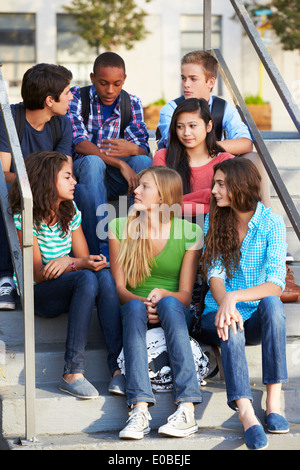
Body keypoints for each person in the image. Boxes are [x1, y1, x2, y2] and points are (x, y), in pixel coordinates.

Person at [8, 151, 123, 398]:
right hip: (38, 293)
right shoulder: (26, 217)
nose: (74, 183)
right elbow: (38, 274)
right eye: (67, 177)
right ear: (48, 180)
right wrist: (75, 264)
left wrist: (71, 261)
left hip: (68, 285)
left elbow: (84, 260)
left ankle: (117, 370)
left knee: (101, 275)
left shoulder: (69, 211)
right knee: (86, 277)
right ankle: (72, 371)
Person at [200, 158, 289, 450]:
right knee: (230, 323)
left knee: (273, 303)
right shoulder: (214, 220)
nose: (214, 190)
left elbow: (276, 282)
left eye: (221, 184)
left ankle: (273, 399)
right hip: (217, 315)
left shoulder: (272, 223)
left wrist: (235, 297)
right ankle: (246, 412)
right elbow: (213, 271)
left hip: (252, 314)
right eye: (215, 183)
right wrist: (226, 301)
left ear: (241, 186)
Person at [109, 165, 203, 440]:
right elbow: (119, 288)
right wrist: (144, 301)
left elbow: (185, 294)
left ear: (163, 197)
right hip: (136, 309)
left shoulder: (190, 232)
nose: (135, 191)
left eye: (144, 187)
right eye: (138, 186)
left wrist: (164, 296)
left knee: (171, 305)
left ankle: (186, 407)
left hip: (174, 311)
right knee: (136, 307)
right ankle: (139, 409)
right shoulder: (119, 226)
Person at [0, 63, 73, 310]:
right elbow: (3, 174)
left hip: (48, 195)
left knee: (75, 191)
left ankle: (78, 262)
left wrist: (44, 184)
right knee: (6, 195)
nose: (72, 97)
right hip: (18, 192)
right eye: (68, 92)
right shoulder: (9, 118)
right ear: (50, 100)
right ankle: (5, 277)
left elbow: (66, 171)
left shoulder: (62, 124)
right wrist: (37, 181)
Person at [156, 50, 271, 207]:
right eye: (183, 78)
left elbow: (245, 143)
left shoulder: (223, 108)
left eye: (193, 79)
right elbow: (178, 142)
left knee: (253, 158)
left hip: (212, 165)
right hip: (178, 166)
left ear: (210, 82)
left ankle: (262, 214)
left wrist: (211, 149)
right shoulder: (171, 109)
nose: (186, 84)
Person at [68, 52, 152, 261]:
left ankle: (136, 236)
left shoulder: (131, 102)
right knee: (94, 162)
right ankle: (100, 241)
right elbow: (78, 143)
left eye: (116, 83)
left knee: (144, 163)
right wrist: (120, 164)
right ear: (92, 78)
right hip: (85, 173)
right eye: (103, 83)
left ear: (124, 79)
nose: (110, 90)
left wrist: (132, 150)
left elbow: (142, 147)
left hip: (114, 179)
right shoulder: (77, 96)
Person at [153, 98, 234, 218]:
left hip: (214, 229)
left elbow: (231, 203)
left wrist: (177, 203)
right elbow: (158, 205)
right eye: (180, 127)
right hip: (174, 230)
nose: (186, 133)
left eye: (192, 126)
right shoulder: (163, 157)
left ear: (208, 126)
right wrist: (207, 198)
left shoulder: (225, 161)